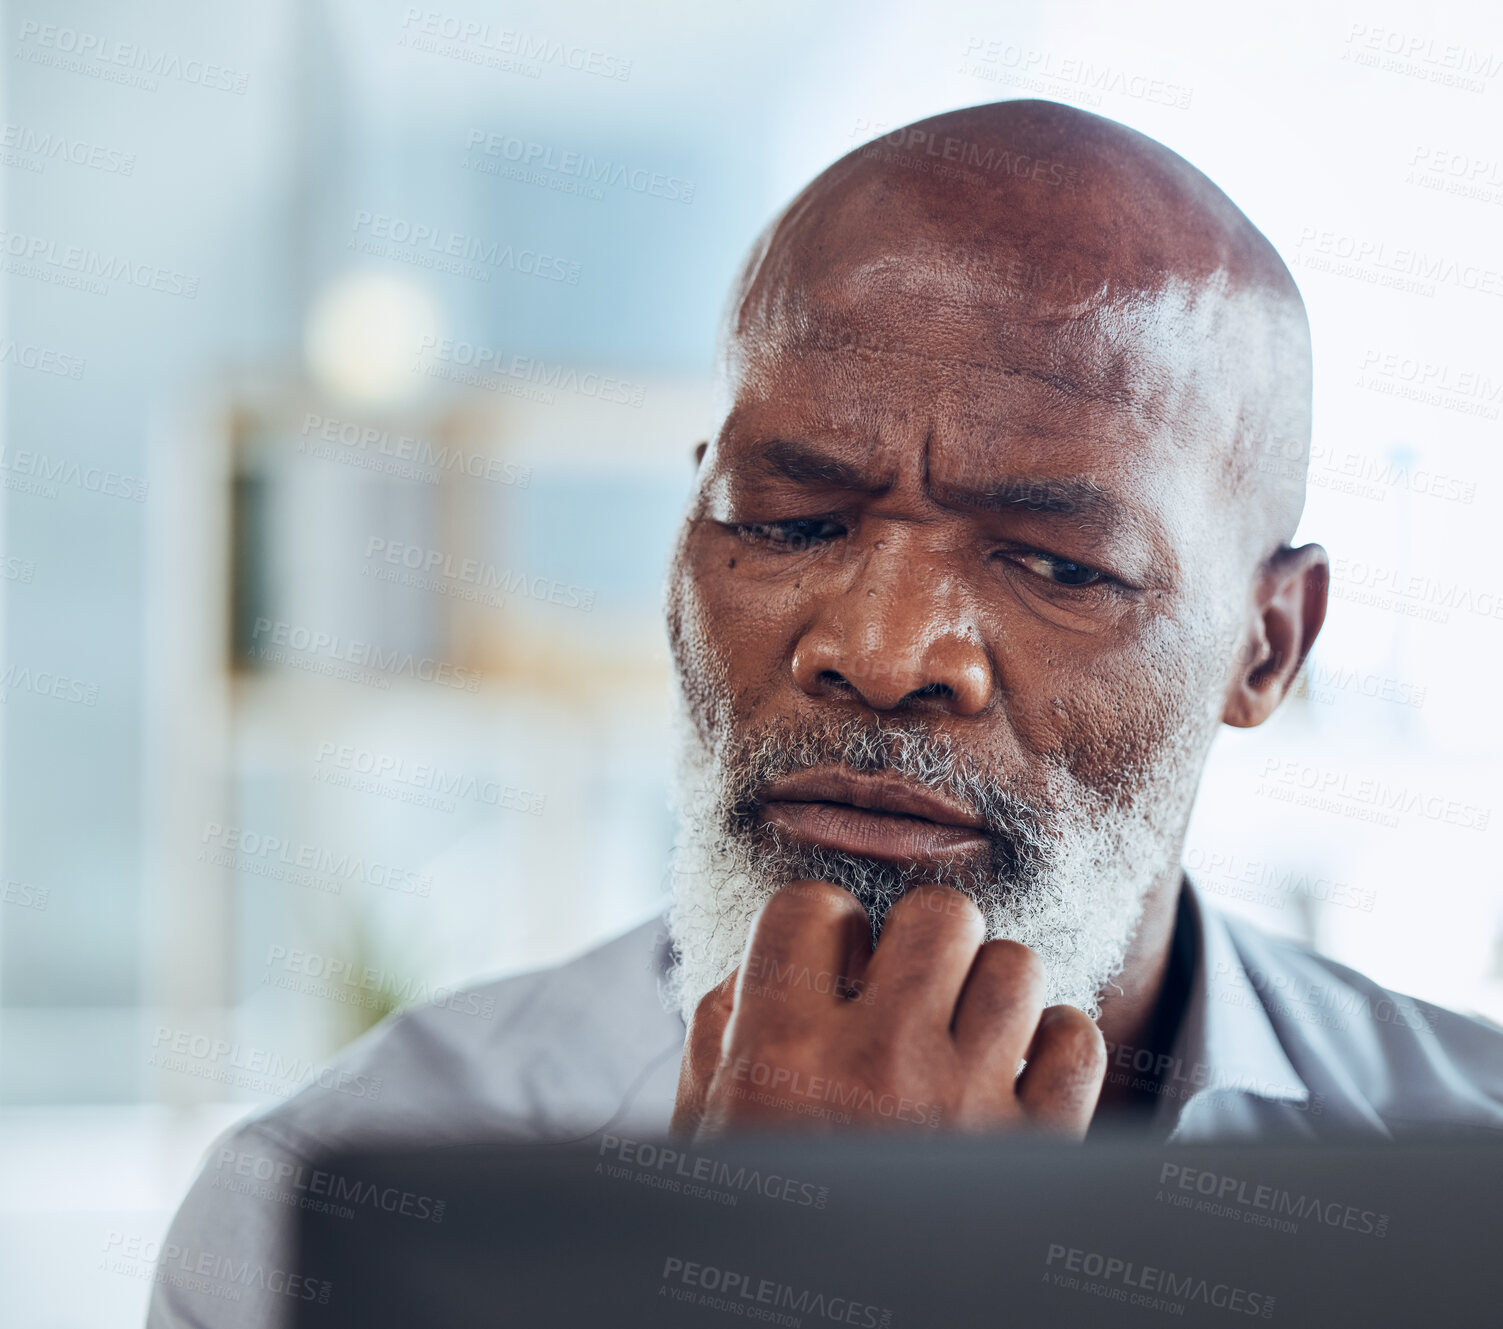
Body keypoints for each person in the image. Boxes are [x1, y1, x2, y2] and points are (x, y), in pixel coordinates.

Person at [147, 99, 1503, 1327]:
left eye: (1061, 564)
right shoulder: (328, 1216)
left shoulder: (1465, 1168)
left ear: (1268, 647)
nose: (881, 646)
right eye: (787, 520)